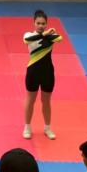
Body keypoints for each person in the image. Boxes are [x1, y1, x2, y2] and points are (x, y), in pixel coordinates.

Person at [23, 10, 62, 140]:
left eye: (43, 23)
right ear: (34, 23)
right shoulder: (29, 35)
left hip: (48, 73)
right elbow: (27, 40)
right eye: (38, 23)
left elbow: (59, 38)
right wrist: (44, 34)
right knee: (30, 100)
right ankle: (27, 127)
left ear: (46, 24)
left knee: (46, 101)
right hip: (33, 72)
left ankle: (47, 128)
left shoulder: (50, 36)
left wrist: (49, 33)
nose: (40, 25)